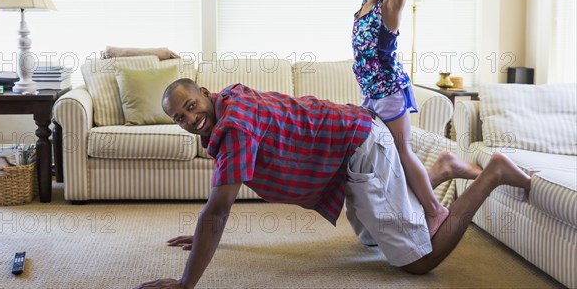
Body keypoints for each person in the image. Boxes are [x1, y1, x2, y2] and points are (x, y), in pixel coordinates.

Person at [134, 80, 530, 289]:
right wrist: (205, 233)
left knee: (418, 262)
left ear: (205, 93)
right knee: (372, 241)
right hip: (348, 145)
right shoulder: (230, 98)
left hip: (360, 146)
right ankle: (441, 169)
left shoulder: (234, 126)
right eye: (179, 117)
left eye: (191, 105)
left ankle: (493, 172)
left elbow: (217, 210)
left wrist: (186, 283)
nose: (190, 118)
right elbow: (221, 202)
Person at [339, 0, 448, 237]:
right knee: (370, 154)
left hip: (390, 95)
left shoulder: (389, 8)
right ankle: (385, 214)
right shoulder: (366, 2)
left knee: (401, 152)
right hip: (371, 96)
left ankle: (435, 210)